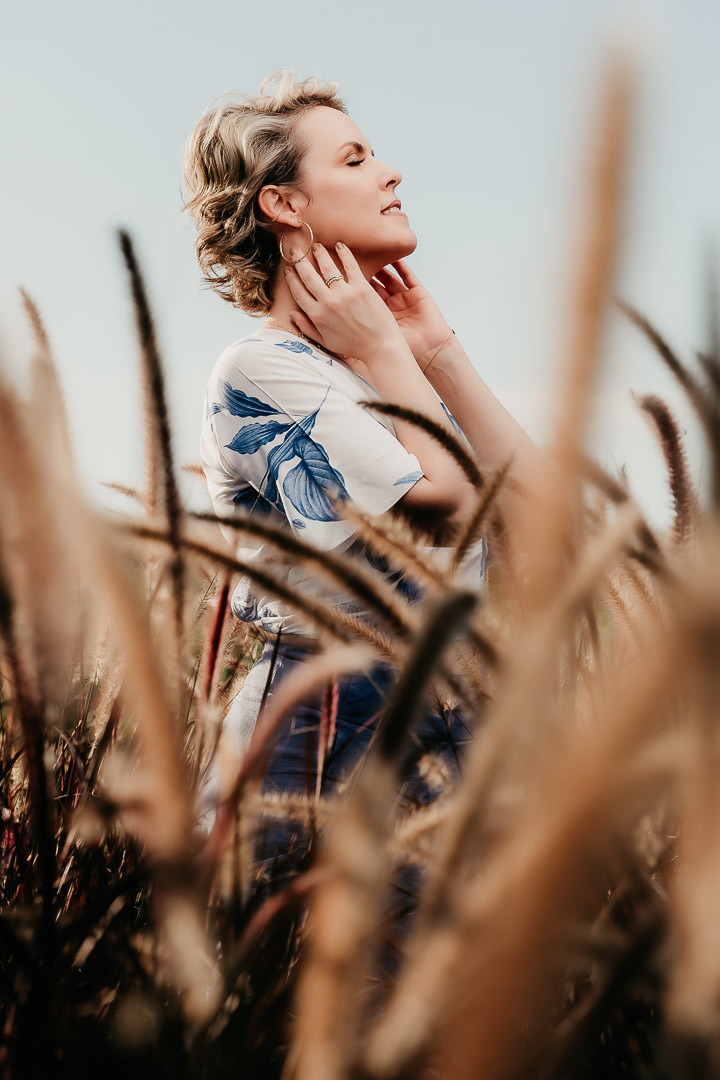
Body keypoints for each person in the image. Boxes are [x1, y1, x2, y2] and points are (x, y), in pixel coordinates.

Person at [182, 70, 549, 896]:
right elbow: (450, 508)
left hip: (443, 739)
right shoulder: (262, 367)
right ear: (286, 205)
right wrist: (390, 357)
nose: (391, 174)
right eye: (355, 158)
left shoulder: (383, 374)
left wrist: (440, 355)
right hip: (318, 747)